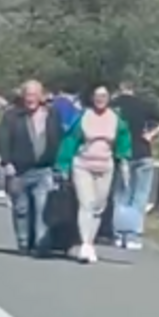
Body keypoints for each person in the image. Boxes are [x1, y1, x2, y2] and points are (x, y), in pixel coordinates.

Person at [55, 84, 132, 264]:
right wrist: (63, 166)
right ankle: (84, 244)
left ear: (109, 98)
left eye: (104, 96)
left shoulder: (116, 119)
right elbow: (70, 141)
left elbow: (123, 141)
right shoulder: (82, 117)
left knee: (98, 207)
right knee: (86, 203)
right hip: (83, 165)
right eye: (97, 95)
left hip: (106, 166)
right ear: (91, 98)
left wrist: (124, 163)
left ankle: (89, 242)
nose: (100, 99)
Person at [0, 80, 64, 255]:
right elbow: (3, 139)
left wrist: (59, 164)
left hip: (44, 169)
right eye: (27, 95)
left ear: (41, 97)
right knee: (21, 209)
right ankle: (24, 242)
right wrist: (6, 162)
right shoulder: (11, 116)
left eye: (34, 95)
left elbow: (59, 138)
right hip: (18, 170)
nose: (30, 99)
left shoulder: (52, 114)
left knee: (43, 209)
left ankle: (41, 245)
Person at [111, 80, 159, 249]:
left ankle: (118, 233)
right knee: (140, 195)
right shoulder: (144, 105)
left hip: (123, 154)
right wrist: (151, 135)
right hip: (144, 152)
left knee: (121, 195)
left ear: (120, 88)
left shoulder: (114, 106)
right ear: (133, 89)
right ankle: (133, 235)